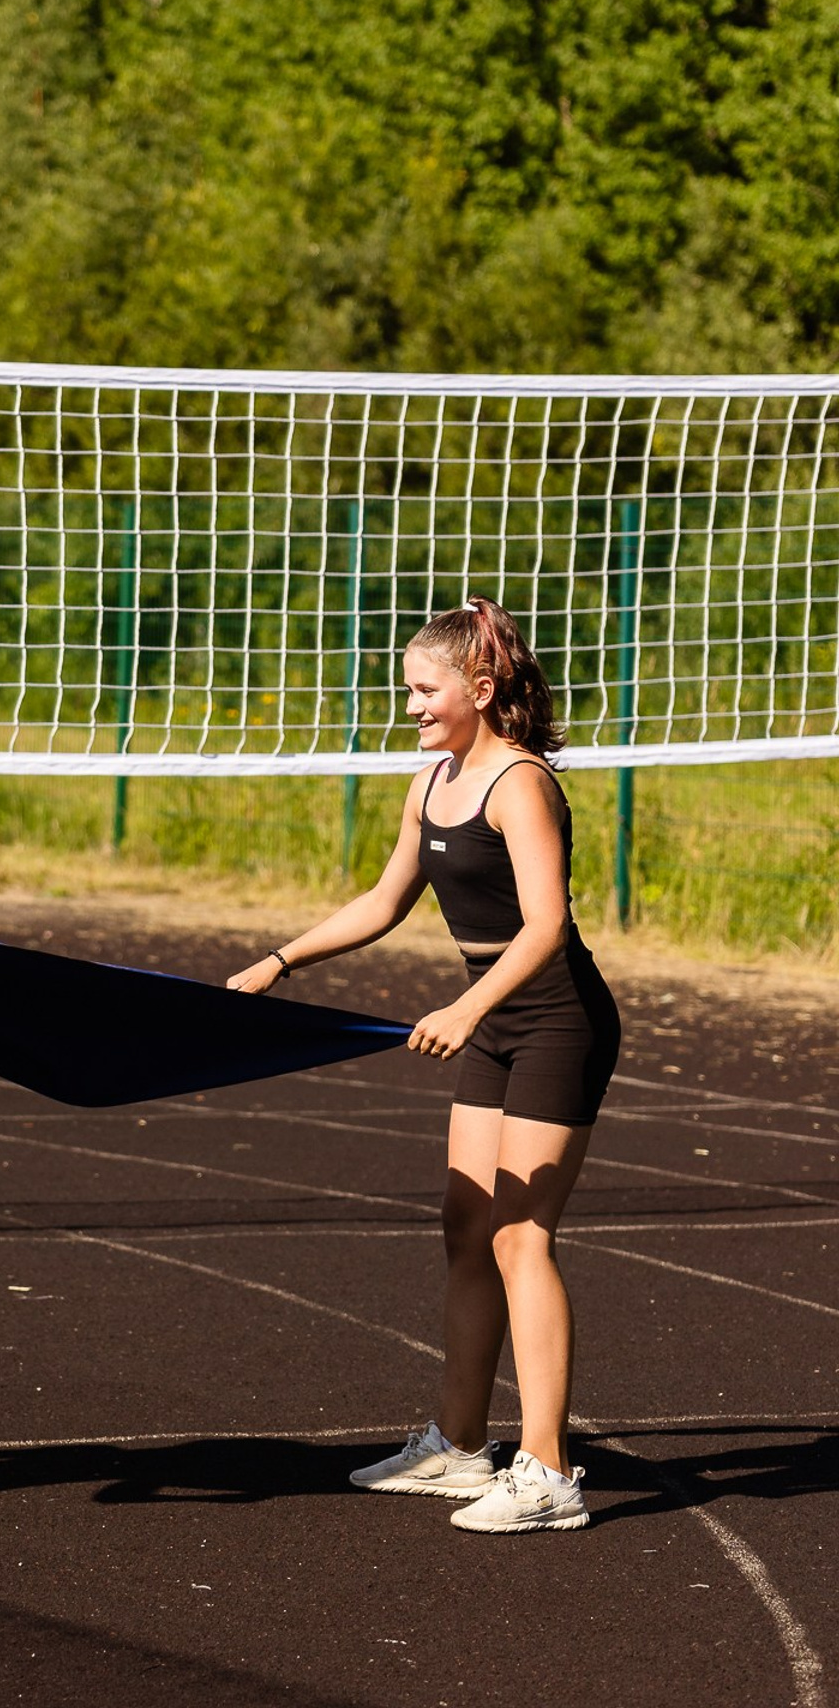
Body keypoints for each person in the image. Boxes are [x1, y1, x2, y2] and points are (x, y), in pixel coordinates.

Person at [228, 597, 619, 1535]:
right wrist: (280, 961)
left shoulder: (519, 784)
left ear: (479, 689)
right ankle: (460, 1445)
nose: (410, 706)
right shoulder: (431, 782)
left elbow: (546, 927)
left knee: (521, 1235)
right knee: (465, 1229)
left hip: (555, 1022)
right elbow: (383, 900)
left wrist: (466, 1008)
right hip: (492, 1020)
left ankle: (549, 1473)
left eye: (424, 689)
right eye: (407, 689)